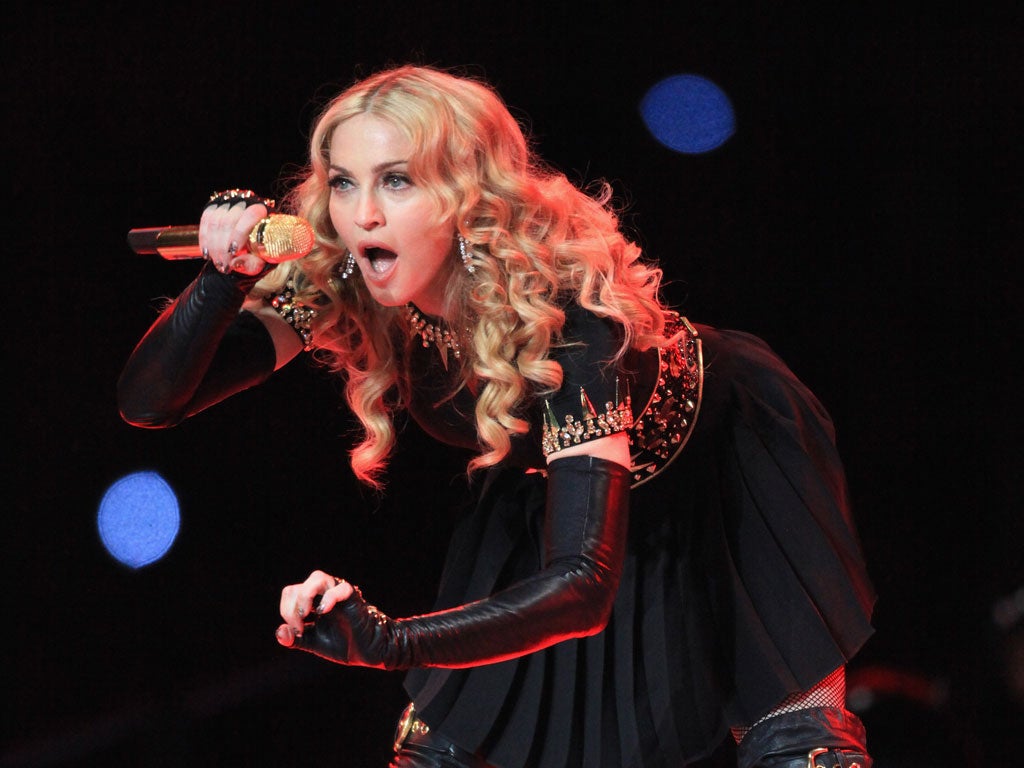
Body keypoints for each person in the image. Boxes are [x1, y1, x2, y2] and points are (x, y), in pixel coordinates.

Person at [118, 64, 877, 768]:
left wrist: (390, 642)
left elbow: (583, 582)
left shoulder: (569, 318)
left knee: (798, 746)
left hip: (712, 488)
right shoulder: (350, 277)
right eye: (343, 184)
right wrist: (222, 282)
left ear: (465, 194)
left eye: (398, 181)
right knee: (439, 750)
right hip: (552, 495)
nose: (364, 214)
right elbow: (151, 401)